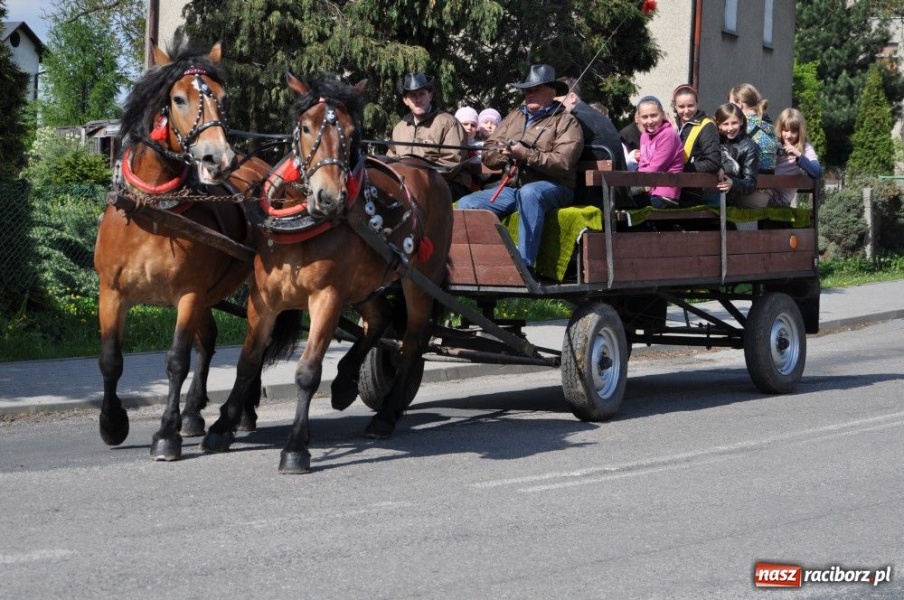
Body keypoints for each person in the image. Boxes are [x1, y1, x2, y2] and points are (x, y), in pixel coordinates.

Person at [456, 64, 583, 274]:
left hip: (555, 187)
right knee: (466, 203)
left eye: (536, 89)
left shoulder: (567, 122)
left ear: (552, 92)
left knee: (530, 193)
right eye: (527, 90)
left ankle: (524, 266)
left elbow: (563, 163)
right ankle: (482, 263)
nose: (529, 94)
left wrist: (524, 154)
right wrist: (502, 153)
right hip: (514, 188)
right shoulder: (515, 116)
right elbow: (489, 149)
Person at [388, 73, 471, 199]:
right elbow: (391, 159)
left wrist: (418, 178)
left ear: (430, 95)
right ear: (405, 101)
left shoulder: (448, 123)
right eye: (412, 95)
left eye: (421, 94)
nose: (418, 100)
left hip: (445, 184)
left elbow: (451, 163)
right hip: (407, 184)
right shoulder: (399, 128)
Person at [554, 76, 626, 206]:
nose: (555, 108)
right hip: (615, 192)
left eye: (557, 103)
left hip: (597, 195)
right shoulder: (594, 115)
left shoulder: (575, 119)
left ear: (572, 97)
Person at [671, 84, 721, 206]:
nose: (686, 110)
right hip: (674, 187)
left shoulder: (706, 126)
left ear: (697, 104)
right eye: (681, 106)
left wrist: (681, 168)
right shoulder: (671, 125)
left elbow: (713, 162)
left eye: (690, 105)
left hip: (695, 190)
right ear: (675, 107)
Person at [635, 96, 684, 208]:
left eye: (654, 115)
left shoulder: (668, 134)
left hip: (666, 194)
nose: (649, 121)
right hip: (648, 190)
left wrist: (632, 179)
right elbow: (643, 164)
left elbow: (655, 168)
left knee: (626, 203)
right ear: (639, 118)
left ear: (662, 114)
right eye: (645, 117)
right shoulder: (644, 136)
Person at [713, 102, 761, 208]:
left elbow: (751, 183)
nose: (730, 128)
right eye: (725, 124)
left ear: (741, 121)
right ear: (719, 125)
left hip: (732, 195)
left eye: (734, 123)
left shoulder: (749, 147)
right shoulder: (715, 140)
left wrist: (733, 183)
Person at [772, 107, 823, 207]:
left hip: (780, 199)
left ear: (800, 132)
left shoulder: (805, 148)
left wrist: (798, 155)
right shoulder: (775, 144)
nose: (789, 135)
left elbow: (817, 172)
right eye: (785, 130)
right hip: (766, 190)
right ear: (780, 129)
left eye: (793, 131)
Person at [728, 83, 777, 174]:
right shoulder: (767, 125)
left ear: (739, 105)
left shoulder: (742, 127)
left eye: (730, 105)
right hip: (768, 185)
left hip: (747, 184)